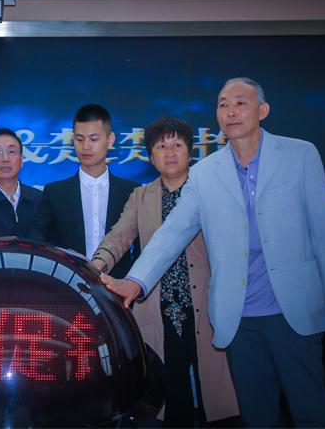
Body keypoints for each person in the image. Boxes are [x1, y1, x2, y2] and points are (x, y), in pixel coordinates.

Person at [102, 78, 325, 427]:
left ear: (263, 110)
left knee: (312, 410)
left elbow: (324, 231)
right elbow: (172, 232)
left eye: (240, 103)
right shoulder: (205, 173)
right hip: (238, 318)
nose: (230, 111)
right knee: (257, 415)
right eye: (223, 104)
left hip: (293, 310)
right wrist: (136, 281)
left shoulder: (300, 155)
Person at [91, 116, 238, 427]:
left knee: (217, 393)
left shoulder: (212, 192)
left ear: (190, 151)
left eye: (177, 145)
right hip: (159, 307)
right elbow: (119, 235)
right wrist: (97, 263)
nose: (169, 153)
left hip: (207, 305)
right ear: (150, 156)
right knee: (172, 393)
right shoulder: (140, 197)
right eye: (161, 147)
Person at [27, 104, 140, 276]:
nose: (86, 146)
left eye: (94, 139)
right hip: (67, 284)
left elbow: (142, 246)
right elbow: (36, 237)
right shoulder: (55, 192)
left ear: (110, 140)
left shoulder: (131, 191)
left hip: (119, 285)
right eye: (79, 139)